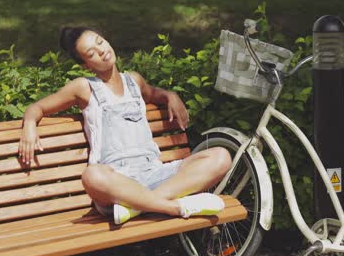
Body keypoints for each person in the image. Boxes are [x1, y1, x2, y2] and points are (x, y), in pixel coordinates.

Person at [19, 26, 231, 224]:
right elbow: (37, 107)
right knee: (92, 176)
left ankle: (138, 207)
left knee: (220, 156)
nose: (101, 51)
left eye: (100, 42)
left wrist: (170, 95)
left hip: (155, 174)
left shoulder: (134, 81)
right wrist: (29, 123)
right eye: (91, 53)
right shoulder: (84, 88)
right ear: (85, 65)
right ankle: (175, 208)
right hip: (117, 185)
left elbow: (155, 94)